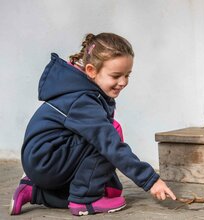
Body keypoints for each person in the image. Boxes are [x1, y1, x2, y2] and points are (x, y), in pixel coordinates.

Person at [9, 33, 176, 216]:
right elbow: (108, 143)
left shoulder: (84, 90)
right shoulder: (82, 100)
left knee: (109, 174)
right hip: (47, 160)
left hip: (44, 160)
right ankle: (84, 201)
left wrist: (109, 185)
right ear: (91, 70)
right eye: (116, 75)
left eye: (127, 75)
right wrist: (150, 180)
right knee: (111, 133)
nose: (123, 82)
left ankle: (34, 191)